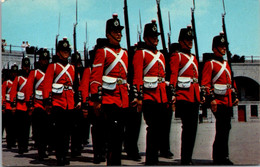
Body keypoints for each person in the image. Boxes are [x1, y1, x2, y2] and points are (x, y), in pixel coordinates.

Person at [89, 13, 128, 166]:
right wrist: (97, 100)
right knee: (112, 139)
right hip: (109, 99)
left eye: (120, 31)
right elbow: (96, 77)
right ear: (108, 33)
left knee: (119, 137)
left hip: (122, 100)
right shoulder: (102, 52)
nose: (119, 34)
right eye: (115, 31)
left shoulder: (124, 53)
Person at [132, 19, 168, 165]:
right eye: (153, 36)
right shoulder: (141, 54)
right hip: (148, 96)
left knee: (159, 129)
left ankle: (154, 158)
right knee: (152, 128)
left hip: (161, 96)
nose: (156, 39)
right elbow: (137, 77)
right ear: (146, 38)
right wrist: (139, 97)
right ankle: (151, 160)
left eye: (156, 36)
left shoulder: (160, 55)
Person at [201, 33, 239, 165]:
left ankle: (224, 156)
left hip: (228, 100)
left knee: (226, 128)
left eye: (224, 46)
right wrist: (211, 99)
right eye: (221, 46)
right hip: (218, 101)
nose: (224, 49)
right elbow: (205, 84)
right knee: (221, 129)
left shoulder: (226, 64)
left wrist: (235, 96)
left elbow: (231, 83)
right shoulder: (210, 64)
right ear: (214, 48)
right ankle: (218, 157)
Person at [169, 26, 201, 165]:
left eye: (191, 39)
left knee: (193, 128)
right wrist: (173, 94)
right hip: (183, 95)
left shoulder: (193, 57)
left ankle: (188, 157)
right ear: (181, 41)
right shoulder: (177, 56)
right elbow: (173, 76)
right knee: (187, 128)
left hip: (194, 96)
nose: (190, 42)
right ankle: (185, 158)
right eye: (187, 40)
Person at [42, 37, 75, 166]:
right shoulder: (53, 66)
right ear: (58, 52)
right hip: (57, 102)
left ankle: (65, 154)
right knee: (59, 132)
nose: (66, 53)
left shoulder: (72, 68)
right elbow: (47, 85)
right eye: (63, 50)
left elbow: (75, 85)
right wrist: (48, 102)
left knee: (67, 132)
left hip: (69, 102)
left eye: (67, 51)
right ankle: (59, 155)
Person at [26, 48, 50, 161]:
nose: (44, 62)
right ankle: (41, 151)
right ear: (39, 60)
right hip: (38, 105)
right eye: (43, 60)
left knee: (47, 130)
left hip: (49, 105)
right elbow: (29, 89)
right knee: (39, 130)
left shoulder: (51, 72)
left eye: (46, 60)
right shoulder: (34, 73)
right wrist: (30, 104)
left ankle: (45, 148)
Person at [10, 57, 31, 155]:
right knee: (20, 128)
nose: (26, 68)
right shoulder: (18, 78)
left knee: (26, 128)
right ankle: (20, 146)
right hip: (19, 106)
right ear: (22, 67)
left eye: (28, 66)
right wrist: (13, 105)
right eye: (25, 66)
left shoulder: (31, 77)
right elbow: (13, 92)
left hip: (28, 106)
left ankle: (25, 145)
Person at [2, 64, 18, 149]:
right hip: (8, 106)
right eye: (13, 72)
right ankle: (9, 142)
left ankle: (14, 141)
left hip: (15, 106)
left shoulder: (18, 81)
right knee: (9, 126)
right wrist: (3, 106)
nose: (14, 74)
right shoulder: (7, 83)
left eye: (16, 72)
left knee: (14, 126)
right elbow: (3, 95)